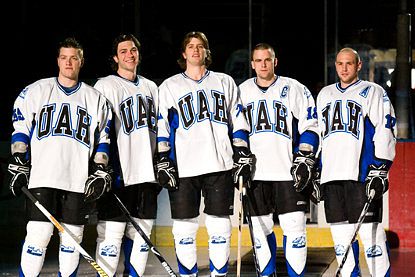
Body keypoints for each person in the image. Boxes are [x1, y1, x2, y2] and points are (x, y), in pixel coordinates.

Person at [7, 37, 112, 276]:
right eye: (64, 57)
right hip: (43, 177)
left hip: (77, 180)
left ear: (81, 61)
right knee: (37, 237)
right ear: (57, 60)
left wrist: (100, 169)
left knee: (72, 241)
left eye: (74, 58)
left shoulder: (95, 99)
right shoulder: (36, 91)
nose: (68, 62)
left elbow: (103, 140)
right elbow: (21, 127)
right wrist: (19, 159)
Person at [155, 31, 254, 277]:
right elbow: (163, 126)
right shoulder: (170, 86)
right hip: (185, 167)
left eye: (200, 46)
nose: (196, 50)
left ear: (207, 51)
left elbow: (237, 119)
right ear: (183, 53)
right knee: (184, 230)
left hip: (219, 164)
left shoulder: (224, 81)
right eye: (191, 46)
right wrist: (164, 158)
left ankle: (218, 274)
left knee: (219, 227)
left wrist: (241, 150)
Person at [238, 43, 319, 277]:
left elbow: (310, 125)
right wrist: (239, 157)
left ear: (275, 61)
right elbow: (236, 130)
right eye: (258, 60)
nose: (263, 64)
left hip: (288, 172)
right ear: (252, 64)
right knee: (261, 233)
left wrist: (304, 156)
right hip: (256, 174)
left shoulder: (294, 88)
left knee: (295, 230)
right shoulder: (242, 91)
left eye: (267, 59)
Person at [316, 47, 396, 276]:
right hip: (332, 177)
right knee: (341, 240)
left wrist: (380, 167)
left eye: (349, 63)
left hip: (361, 176)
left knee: (372, 238)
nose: (344, 68)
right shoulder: (325, 95)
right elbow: (321, 135)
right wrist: (317, 171)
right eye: (340, 63)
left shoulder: (373, 91)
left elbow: (385, 128)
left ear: (358, 65)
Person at [93, 33, 161, 276]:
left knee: (141, 238)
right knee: (110, 236)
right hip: (119, 174)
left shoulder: (151, 87)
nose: (130, 55)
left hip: (147, 176)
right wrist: (103, 167)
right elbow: (100, 129)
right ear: (115, 57)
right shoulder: (106, 85)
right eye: (123, 51)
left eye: (133, 50)